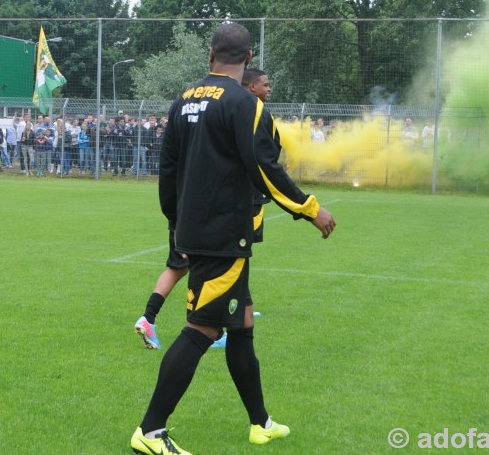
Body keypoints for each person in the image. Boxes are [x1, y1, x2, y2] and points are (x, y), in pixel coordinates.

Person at [130, 22, 336, 455]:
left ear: (210, 55)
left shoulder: (181, 101)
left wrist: (177, 223)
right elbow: (266, 169)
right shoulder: (246, 104)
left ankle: (259, 423)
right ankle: (150, 432)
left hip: (194, 228)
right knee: (201, 329)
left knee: (241, 327)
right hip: (223, 236)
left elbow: (167, 169)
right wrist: (310, 208)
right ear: (246, 60)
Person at [133, 69, 274, 351]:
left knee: (194, 265)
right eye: (265, 85)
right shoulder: (236, 111)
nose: (269, 89)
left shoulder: (195, 108)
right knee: (191, 266)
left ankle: (239, 312)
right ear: (251, 87)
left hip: (186, 208)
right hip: (203, 213)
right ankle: (156, 319)